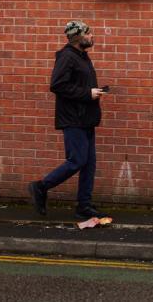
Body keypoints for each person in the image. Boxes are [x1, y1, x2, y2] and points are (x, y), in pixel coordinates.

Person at [27, 20, 108, 220]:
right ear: (78, 37)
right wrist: (87, 93)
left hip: (86, 118)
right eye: (89, 34)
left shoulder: (82, 57)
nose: (92, 37)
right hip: (73, 119)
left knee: (89, 164)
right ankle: (41, 186)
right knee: (77, 160)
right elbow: (57, 85)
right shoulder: (67, 57)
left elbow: (77, 85)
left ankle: (84, 206)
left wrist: (94, 92)